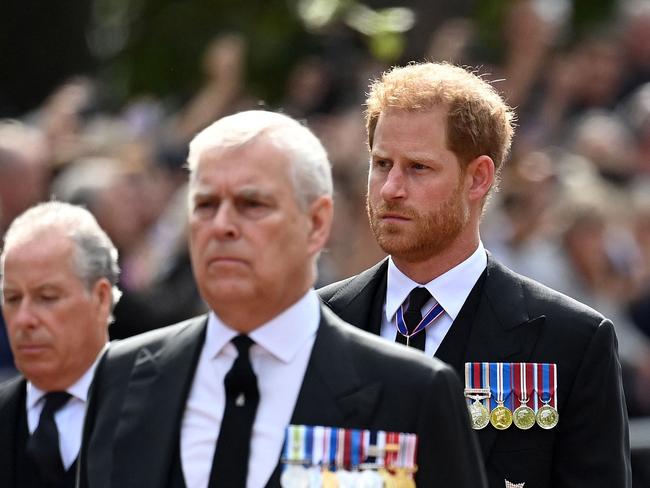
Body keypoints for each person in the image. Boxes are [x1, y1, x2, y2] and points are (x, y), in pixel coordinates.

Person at [77, 110, 486, 488]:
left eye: (252, 204)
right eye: (205, 205)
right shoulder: (122, 375)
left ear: (317, 223)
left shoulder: (411, 390)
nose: (222, 226)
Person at [318, 62, 632, 488]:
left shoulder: (571, 341)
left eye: (418, 168)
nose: (391, 187)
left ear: (478, 178)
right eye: (381, 164)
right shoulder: (317, 323)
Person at [0, 201, 120, 487]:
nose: (24, 319)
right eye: (12, 298)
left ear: (101, 298)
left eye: (47, 297)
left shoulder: (158, 410)